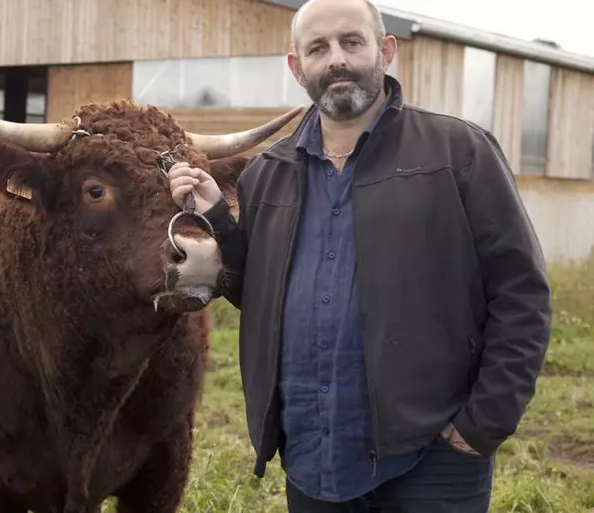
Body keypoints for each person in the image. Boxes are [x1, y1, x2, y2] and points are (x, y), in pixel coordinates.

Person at [167, 0, 552, 510]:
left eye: (352, 42)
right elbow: (258, 295)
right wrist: (217, 216)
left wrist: (482, 425)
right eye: (318, 48)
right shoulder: (268, 174)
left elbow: (522, 293)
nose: (336, 60)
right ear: (297, 66)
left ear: (385, 51)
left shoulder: (458, 152)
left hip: (432, 461)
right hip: (312, 455)